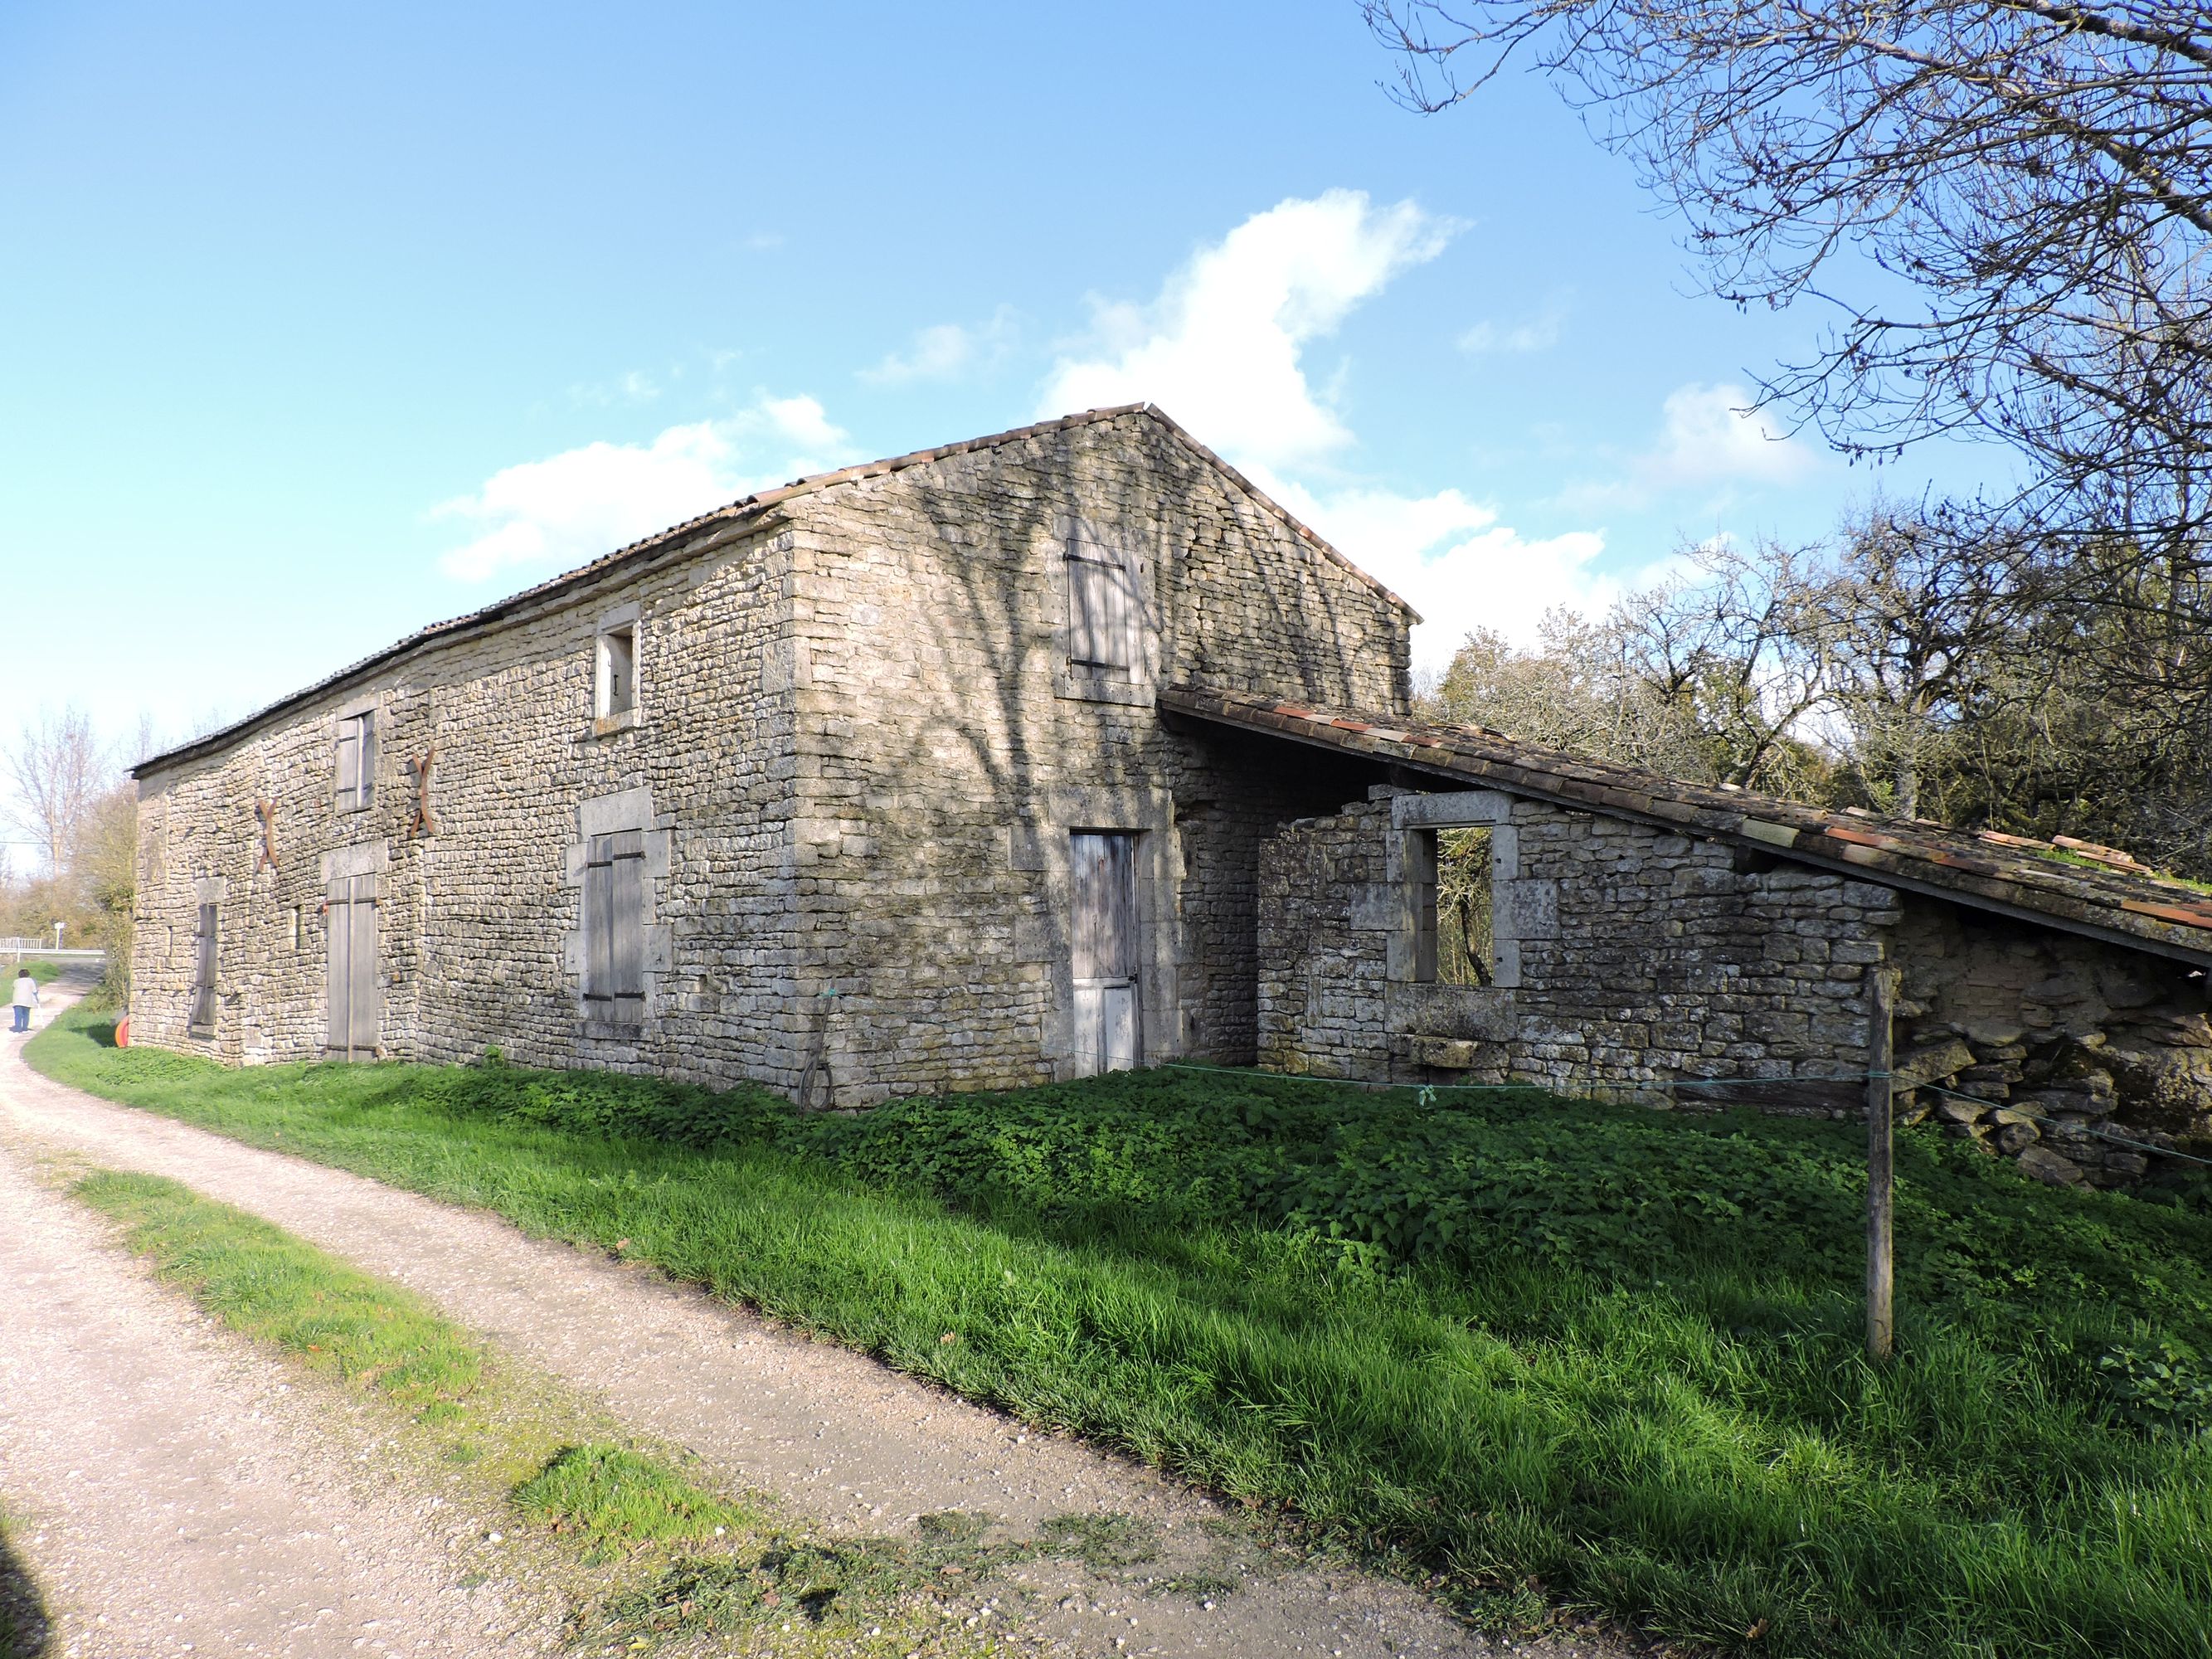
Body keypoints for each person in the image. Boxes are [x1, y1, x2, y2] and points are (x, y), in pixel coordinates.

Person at [10, 966, 37, 1033]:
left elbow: (14, 987)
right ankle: (25, 1028)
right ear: (28, 974)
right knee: (26, 1015)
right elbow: (34, 991)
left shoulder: (16, 981)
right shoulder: (31, 981)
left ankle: (18, 1029)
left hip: (17, 1001)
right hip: (27, 1001)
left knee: (18, 1015)